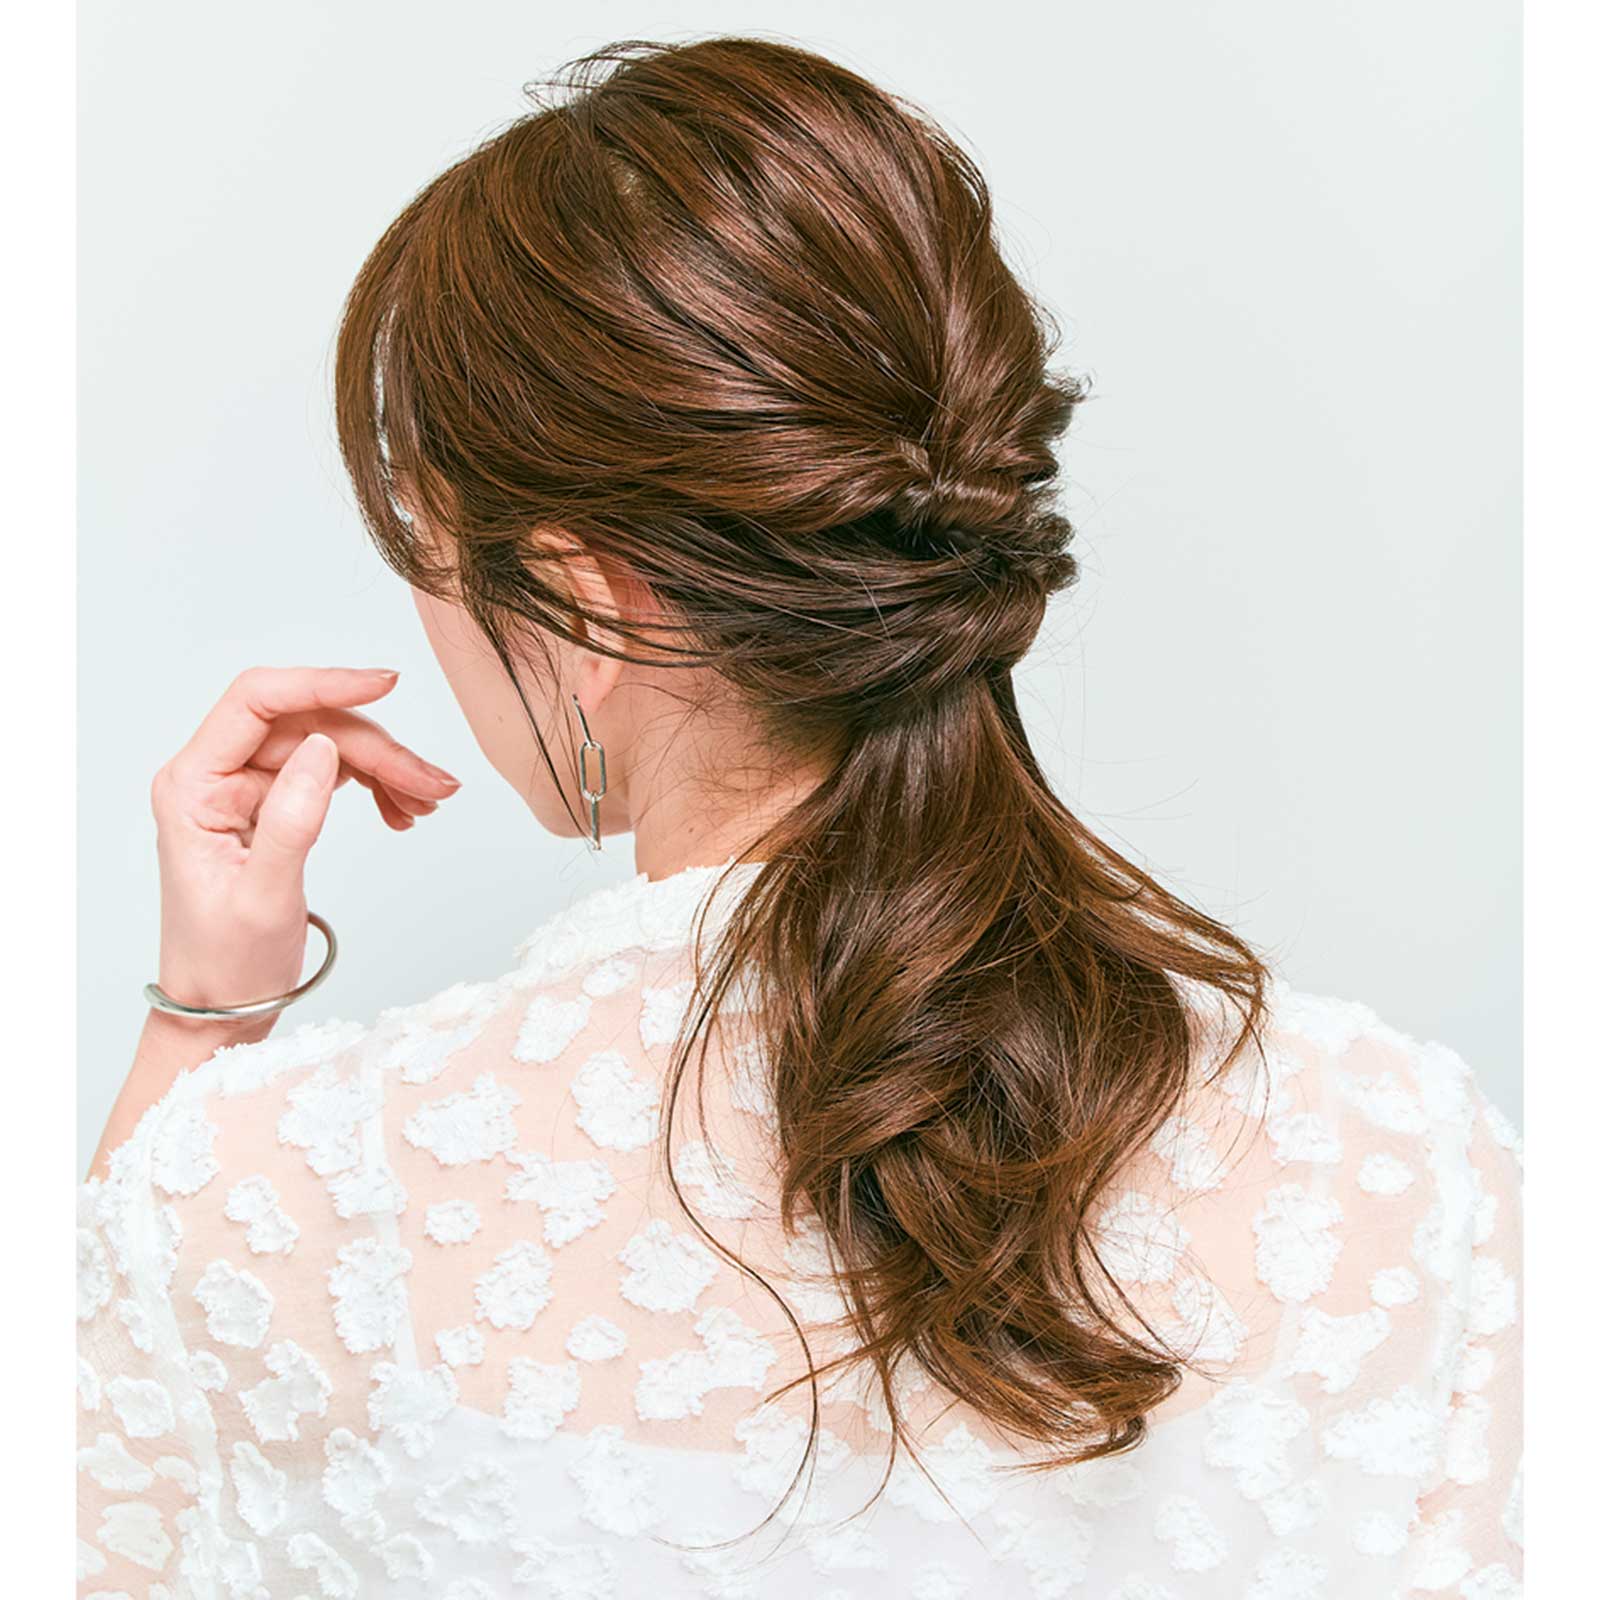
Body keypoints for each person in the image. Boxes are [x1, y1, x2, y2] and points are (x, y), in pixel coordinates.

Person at [76, 36, 1523, 1599]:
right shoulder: (1406, 1156)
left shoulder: (286, 1191)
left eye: (427, 549)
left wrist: (199, 1029)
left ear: (578, 597)